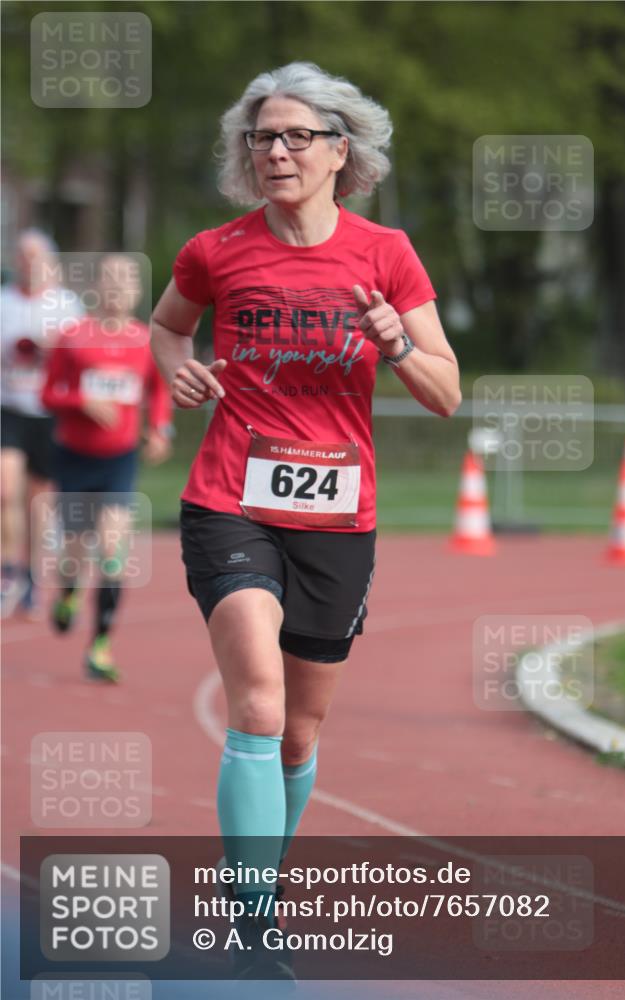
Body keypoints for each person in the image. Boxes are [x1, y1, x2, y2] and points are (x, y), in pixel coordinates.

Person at [151, 61, 461, 978]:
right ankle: (253, 932)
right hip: (228, 500)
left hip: (336, 514)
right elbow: (167, 325)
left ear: (341, 151)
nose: (275, 151)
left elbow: (444, 393)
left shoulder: (386, 254)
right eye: (261, 138)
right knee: (255, 699)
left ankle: (265, 895)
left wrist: (393, 340)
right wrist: (179, 364)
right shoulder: (215, 250)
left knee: (298, 732)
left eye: (294, 136)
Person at [41, 253, 172, 680]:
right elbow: (47, 394)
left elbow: (157, 391)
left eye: (126, 280)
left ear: (136, 290)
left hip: (119, 460)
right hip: (75, 458)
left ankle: (100, 645)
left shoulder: (145, 339)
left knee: (113, 551)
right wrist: (82, 400)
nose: (118, 287)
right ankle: (68, 592)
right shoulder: (73, 336)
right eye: (110, 279)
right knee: (74, 553)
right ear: (97, 286)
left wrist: (159, 429)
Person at [0, 230, 84, 617]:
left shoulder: (66, 305)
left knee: (39, 503)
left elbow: (84, 354)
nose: (29, 263)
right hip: (9, 407)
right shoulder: (4, 302)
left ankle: (32, 577)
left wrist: (52, 349)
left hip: (49, 412)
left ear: (49, 263)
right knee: (5, 490)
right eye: (22, 256)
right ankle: (7, 572)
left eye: (36, 257)